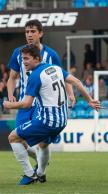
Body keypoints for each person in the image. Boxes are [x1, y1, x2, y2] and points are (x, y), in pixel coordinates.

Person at [3, 44, 101, 185]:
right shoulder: (55, 68)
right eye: (22, 59)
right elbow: (77, 82)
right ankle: (41, 174)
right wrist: (90, 100)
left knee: (13, 137)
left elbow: (26, 104)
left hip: (46, 121)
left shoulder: (35, 76)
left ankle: (29, 175)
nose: (23, 62)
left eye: (26, 59)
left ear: (37, 58)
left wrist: (9, 104)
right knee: (43, 144)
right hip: (62, 120)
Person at [6, 19, 76, 172]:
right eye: (27, 32)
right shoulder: (18, 53)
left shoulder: (51, 55)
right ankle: (39, 162)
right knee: (19, 139)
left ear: (41, 33)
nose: (29, 35)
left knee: (43, 143)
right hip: (25, 104)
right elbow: (12, 77)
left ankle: (40, 172)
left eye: (33, 31)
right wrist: (11, 95)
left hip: (44, 106)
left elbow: (63, 76)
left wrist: (70, 94)